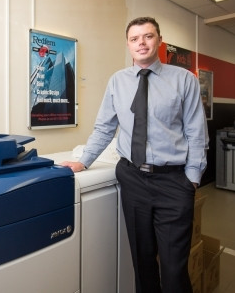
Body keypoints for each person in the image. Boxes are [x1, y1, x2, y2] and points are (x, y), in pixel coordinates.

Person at [61, 17, 209, 293]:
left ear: (159, 41)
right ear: (128, 44)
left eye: (148, 36)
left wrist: (192, 179)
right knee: (142, 263)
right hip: (133, 180)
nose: (141, 43)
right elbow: (104, 127)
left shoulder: (183, 80)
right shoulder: (117, 81)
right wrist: (83, 161)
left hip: (173, 181)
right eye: (134, 38)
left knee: (174, 268)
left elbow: (197, 132)